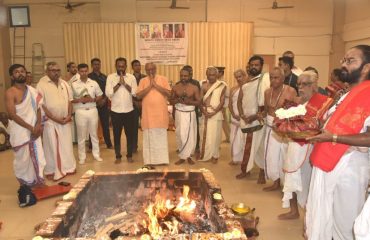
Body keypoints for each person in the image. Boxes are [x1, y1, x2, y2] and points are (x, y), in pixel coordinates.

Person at [305, 45, 370, 240]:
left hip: (350, 168)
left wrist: (332, 138)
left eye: (351, 61)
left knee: (345, 224)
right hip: (329, 162)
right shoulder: (346, 93)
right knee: (326, 217)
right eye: (344, 60)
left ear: (366, 67)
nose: (343, 64)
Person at [278, 71, 332, 220]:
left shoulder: (324, 102)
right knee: (291, 176)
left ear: (314, 85)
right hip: (295, 145)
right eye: (299, 84)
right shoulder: (297, 101)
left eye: (305, 84)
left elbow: (324, 124)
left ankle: (311, 215)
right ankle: (294, 211)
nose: (301, 87)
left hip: (312, 147)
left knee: (309, 181)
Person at [5, 64, 46, 186]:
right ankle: (26, 183)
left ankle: (38, 181)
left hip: (34, 129)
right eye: (17, 72)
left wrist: (38, 125)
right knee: (23, 159)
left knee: (38, 155)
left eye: (22, 71)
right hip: (20, 131)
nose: (20, 74)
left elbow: (39, 109)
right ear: (12, 76)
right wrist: (31, 128)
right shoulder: (10, 93)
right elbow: (12, 114)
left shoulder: (32, 91)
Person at [37, 62, 76, 181]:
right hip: (51, 122)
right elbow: (41, 106)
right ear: (47, 72)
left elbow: (70, 101)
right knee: (53, 147)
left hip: (65, 120)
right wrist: (55, 119)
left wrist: (69, 115)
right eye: (53, 70)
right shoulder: (41, 85)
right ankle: (54, 170)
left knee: (66, 146)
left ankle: (69, 168)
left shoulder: (64, 83)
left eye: (58, 70)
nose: (56, 72)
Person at [235, 55, 270, 182]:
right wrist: (242, 115)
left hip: (258, 118)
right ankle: (259, 169)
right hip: (246, 119)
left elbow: (266, 102)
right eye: (252, 65)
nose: (254, 67)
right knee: (252, 145)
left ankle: (249, 170)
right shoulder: (245, 82)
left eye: (257, 65)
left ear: (261, 66)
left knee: (254, 146)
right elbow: (239, 101)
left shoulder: (264, 80)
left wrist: (254, 116)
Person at [263, 67, 297, 191]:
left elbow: (294, 110)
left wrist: (286, 125)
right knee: (271, 155)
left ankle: (285, 185)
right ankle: (275, 182)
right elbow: (266, 109)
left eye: (276, 77)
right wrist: (261, 116)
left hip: (284, 126)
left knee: (284, 155)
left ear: (283, 78)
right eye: (271, 77)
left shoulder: (291, 91)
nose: (273, 80)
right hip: (270, 125)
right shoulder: (267, 92)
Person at [136, 63, 171, 166]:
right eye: (148, 70)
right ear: (145, 70)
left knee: (161, 138)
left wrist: (156, 85)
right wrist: (150, 86)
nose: (150, 71)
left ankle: (162, 160)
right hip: (148, 115)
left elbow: (169, 93)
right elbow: (138, 96)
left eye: (152, 69)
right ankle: (149, 161)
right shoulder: (143, 81)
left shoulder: (163, 79)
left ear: (156, 69)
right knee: (149, 139)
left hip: (160, 115)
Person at [106, 57, 137, 164]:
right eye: (119, 66)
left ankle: (129, 155)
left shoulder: (131, 77)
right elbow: (108, 93)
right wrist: (119, 84)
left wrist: (125, 84)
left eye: (123, 66)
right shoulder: (110, 77)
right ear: (116, 66)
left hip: (129, 111)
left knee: (130, 135)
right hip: (116, 112)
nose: (121, 68)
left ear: (126, 66)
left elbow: (135, 92)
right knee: (116, 135)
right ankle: (118, 156)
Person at [71, 63, 103, 164]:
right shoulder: (74, 84)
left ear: (88, 71)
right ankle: (82, 157)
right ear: (78, 72)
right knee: (81, 136)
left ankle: (96, 155)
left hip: (93, 109)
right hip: (80, 111)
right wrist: (81, 99)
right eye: (81, 71)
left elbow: (100, 95)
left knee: (94, 134)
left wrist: (92, 99)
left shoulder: (93, 82)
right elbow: (71, 99)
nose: (84, 73)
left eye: (85, 71)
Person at [170, 68, 201, 165]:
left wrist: (189, 102)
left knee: (190, 135)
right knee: (180, 134)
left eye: (185, 76)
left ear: (190, 76)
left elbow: (199, 102)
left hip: (190, 113)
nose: (183, 78)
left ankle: (188, 156)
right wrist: (177, 100)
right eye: (182, 76)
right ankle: (182, 156)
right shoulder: (175, 87)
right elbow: (171, 100)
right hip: (179, 113)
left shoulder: (194, 87)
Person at [198, 66, 227, 163]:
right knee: (204, 135)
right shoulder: (203, 85)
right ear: (206, 75)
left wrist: (214, 112)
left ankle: (215, 156)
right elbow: (200, 100)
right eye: (209, 75)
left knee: (216, 136)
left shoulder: (222, 85)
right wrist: (203, 111)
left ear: (217, 75)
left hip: (216, 113)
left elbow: (222, 101)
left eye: (213, 75)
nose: (211, 77)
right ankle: (205, 154)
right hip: (205, 112)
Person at [88, 58, 113, 149]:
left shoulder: (105, 77)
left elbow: (108, 90)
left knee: (105, 125)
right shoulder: (88, 77)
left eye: (98, 64)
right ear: (92, 65)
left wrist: (104, 100)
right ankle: (91, 145)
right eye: (95, 64)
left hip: (104, 103)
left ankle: (109, 144)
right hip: (93, 104)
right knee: (92, 125)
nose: (97, 66)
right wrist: (96, 100)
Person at [228, 69, 247, 165]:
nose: (238, 79)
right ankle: (235, 158)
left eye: (240, 76)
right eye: (236, 77)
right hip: (235, 118)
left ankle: (244, 159)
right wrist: (233, 114)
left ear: (244, 76)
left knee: (243, 140)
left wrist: (243, 116)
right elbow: (230, 104)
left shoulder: (248, 88)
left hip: (245, 119)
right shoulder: (233, 89)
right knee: (233, 139)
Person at [182, 65, 201, 156]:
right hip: (182, 111)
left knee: (194, 129)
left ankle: (196, 147)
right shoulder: (179, 83)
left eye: (191, 71)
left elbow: (199, 98)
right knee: (183, 130)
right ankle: (184, 147)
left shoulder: (196, 83)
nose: (191, 73)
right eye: (189, 71)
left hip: (194, 109)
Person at [131, 59, 146, 152]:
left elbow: (148, 91)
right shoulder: (129, 78)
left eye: (139, 65)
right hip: (133, 104)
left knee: (146, 126)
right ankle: (134, 146)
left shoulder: (145, 78)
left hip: (144, 104)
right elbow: (128, 92)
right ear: (132, 67)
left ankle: (147, 146)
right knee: (134, 127)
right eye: (136, 65)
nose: (138, 67)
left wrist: (142, 102)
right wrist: (135, 102)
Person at [216, 66, 231, 143]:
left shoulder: (222, 83)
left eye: (217, 72)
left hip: (222, 106)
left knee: (224, 122)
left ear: (221, 73)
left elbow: (227, 95)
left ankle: (229, 137)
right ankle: (228, 137)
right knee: (223, 122)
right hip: (218, 106)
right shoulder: (217, 82)